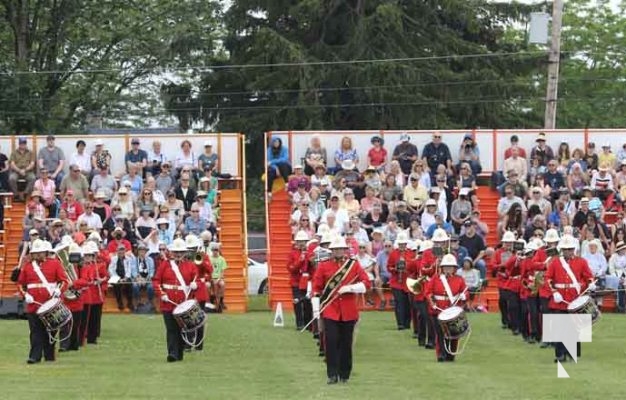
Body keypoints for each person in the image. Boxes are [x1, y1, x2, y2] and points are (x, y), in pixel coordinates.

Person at [311, 236, 370, 384]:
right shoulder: (323, 266)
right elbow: (316, 289)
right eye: (335, 249)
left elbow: (366, 283)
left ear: (345, 250)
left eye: (341, 249)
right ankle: (332, 374)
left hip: (349, 311)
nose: (338, 251)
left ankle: (344, 374)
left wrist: (350, 288)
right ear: (331, 250)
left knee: (346, 343)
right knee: (331, 342)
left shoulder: (353, 265)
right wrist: (316, 310)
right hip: (330, 310)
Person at [17, 239, 70, 364]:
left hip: (50, 304)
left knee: (50, 331)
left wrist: (58, 290)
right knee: (35, 331)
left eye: (40, 252)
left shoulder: (55, 264)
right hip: (33, 305)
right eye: (36, 253)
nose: (38, 255)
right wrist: (25, 295)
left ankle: (49, 355)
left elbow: (64, 281)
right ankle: (34, 356)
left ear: (45, 252)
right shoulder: (28, 266)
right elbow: (20, 284)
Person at [545, 234, 594, 362]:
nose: (568, 251)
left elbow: (589, 277)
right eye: (566, 249)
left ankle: (573, 353)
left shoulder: (582, 262)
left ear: (574, 249)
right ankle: (559, 354)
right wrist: (554, 291)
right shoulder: (555, 262)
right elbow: (548, 278)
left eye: (570, 248)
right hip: (559, 299)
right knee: (559, 327)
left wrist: (591, 284)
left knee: (574, 327)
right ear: (562, 250)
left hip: (574, 298)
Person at [153, 238, 199, 362]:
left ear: (184, 252)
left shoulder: (190, 266)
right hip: (168, 302)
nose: (178, 254)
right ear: (172, 252)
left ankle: (179, 353)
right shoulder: (165, 264)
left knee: (180, 329)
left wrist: (196, 286)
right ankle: (172, 353)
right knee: (171, 329)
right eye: (176, 252)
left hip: (182, 303)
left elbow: (196, 281)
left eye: (180, 252)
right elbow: (156, 280)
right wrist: (161, 294)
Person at [424, 253, 467, 362]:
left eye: (450, 267)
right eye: (446, 267)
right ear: (442, 268)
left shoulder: (459, 279)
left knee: (454, 334)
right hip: (438, 310)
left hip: (453, 310)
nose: (448, 269)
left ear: (454, 268)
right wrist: (432, 303)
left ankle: (451, 354)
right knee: (440, 333)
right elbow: (428, 292)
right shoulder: (435, 278)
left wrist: (463, 296)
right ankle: (441, 354)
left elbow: (465, 292)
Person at [387, 231, 414, 330]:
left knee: (408, 304)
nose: (402, 245)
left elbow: (413, 267)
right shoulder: (393, 253)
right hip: (396, 282)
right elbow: (389, 267)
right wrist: (395, 269)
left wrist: (407, 266)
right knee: (399, 303)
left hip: (407, 282)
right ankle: (400, 323)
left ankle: (407, 323)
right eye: (400, 244)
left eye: (403, 244)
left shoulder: (411, 253)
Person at [287, 231, 309, 329]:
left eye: (303, 241)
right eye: (299, 241)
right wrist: (300, 260)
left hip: (307, 282)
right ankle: (299, 324)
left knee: (307, 303)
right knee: (297, 303)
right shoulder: (292, 253)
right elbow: (291, 268)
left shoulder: (309, 252)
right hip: (296, 282)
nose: (301, 243)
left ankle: (308, 323)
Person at [9, 137, 36, 201]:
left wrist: (25, 170)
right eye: (21, 143)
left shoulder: (31, 152)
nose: (23, 144)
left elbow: (32, 164)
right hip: (16, 171)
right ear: (19, 144)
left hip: (27, 171)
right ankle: (16, 195)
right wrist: (19, 170)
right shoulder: (14, 152)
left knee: (33, 178)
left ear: (26, 144)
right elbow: (12, 164)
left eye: (24, 143)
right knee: (11, 178)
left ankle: (25, 193)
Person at [108, 245, 134, 311]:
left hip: (125, 276)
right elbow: (111, 270)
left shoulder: (129, 258)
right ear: (117, 251)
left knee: (129, 284)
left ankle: (130, 302)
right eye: (120, 250)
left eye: (122, 250)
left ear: (125, 251)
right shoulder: (113, 259)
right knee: (116, 285)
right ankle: (120, 303)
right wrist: (118, 278)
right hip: (116, 276)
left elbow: (129, 269)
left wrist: (126, 277)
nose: (121, 252)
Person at [131, 243, 156, 311]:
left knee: (151, 287)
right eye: (140, 250)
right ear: (138, 251)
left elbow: (152, 271)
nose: (142, 252)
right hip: (138, 279)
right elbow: (133, 271)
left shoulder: (150, 260)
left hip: (147, 279)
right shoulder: (134, 260)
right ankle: (137, 301)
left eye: (143, 250)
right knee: (135, 286)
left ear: (145, 251)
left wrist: (147, 279)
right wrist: (139, 278)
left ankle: (150, 301)